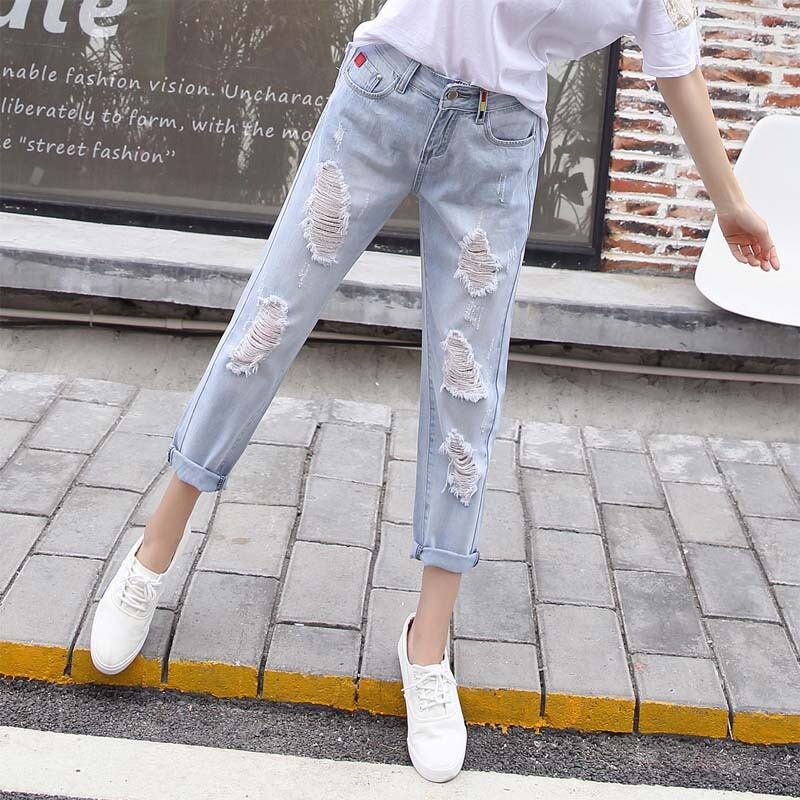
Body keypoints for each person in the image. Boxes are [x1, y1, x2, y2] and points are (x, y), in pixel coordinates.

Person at [89, 0, 780, 785]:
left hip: (497, 144)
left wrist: (730, 205)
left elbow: (678, 67)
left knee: (466, 391)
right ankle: (151, 555)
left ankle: (427, 647)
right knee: (269, 322)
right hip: (386, 91)